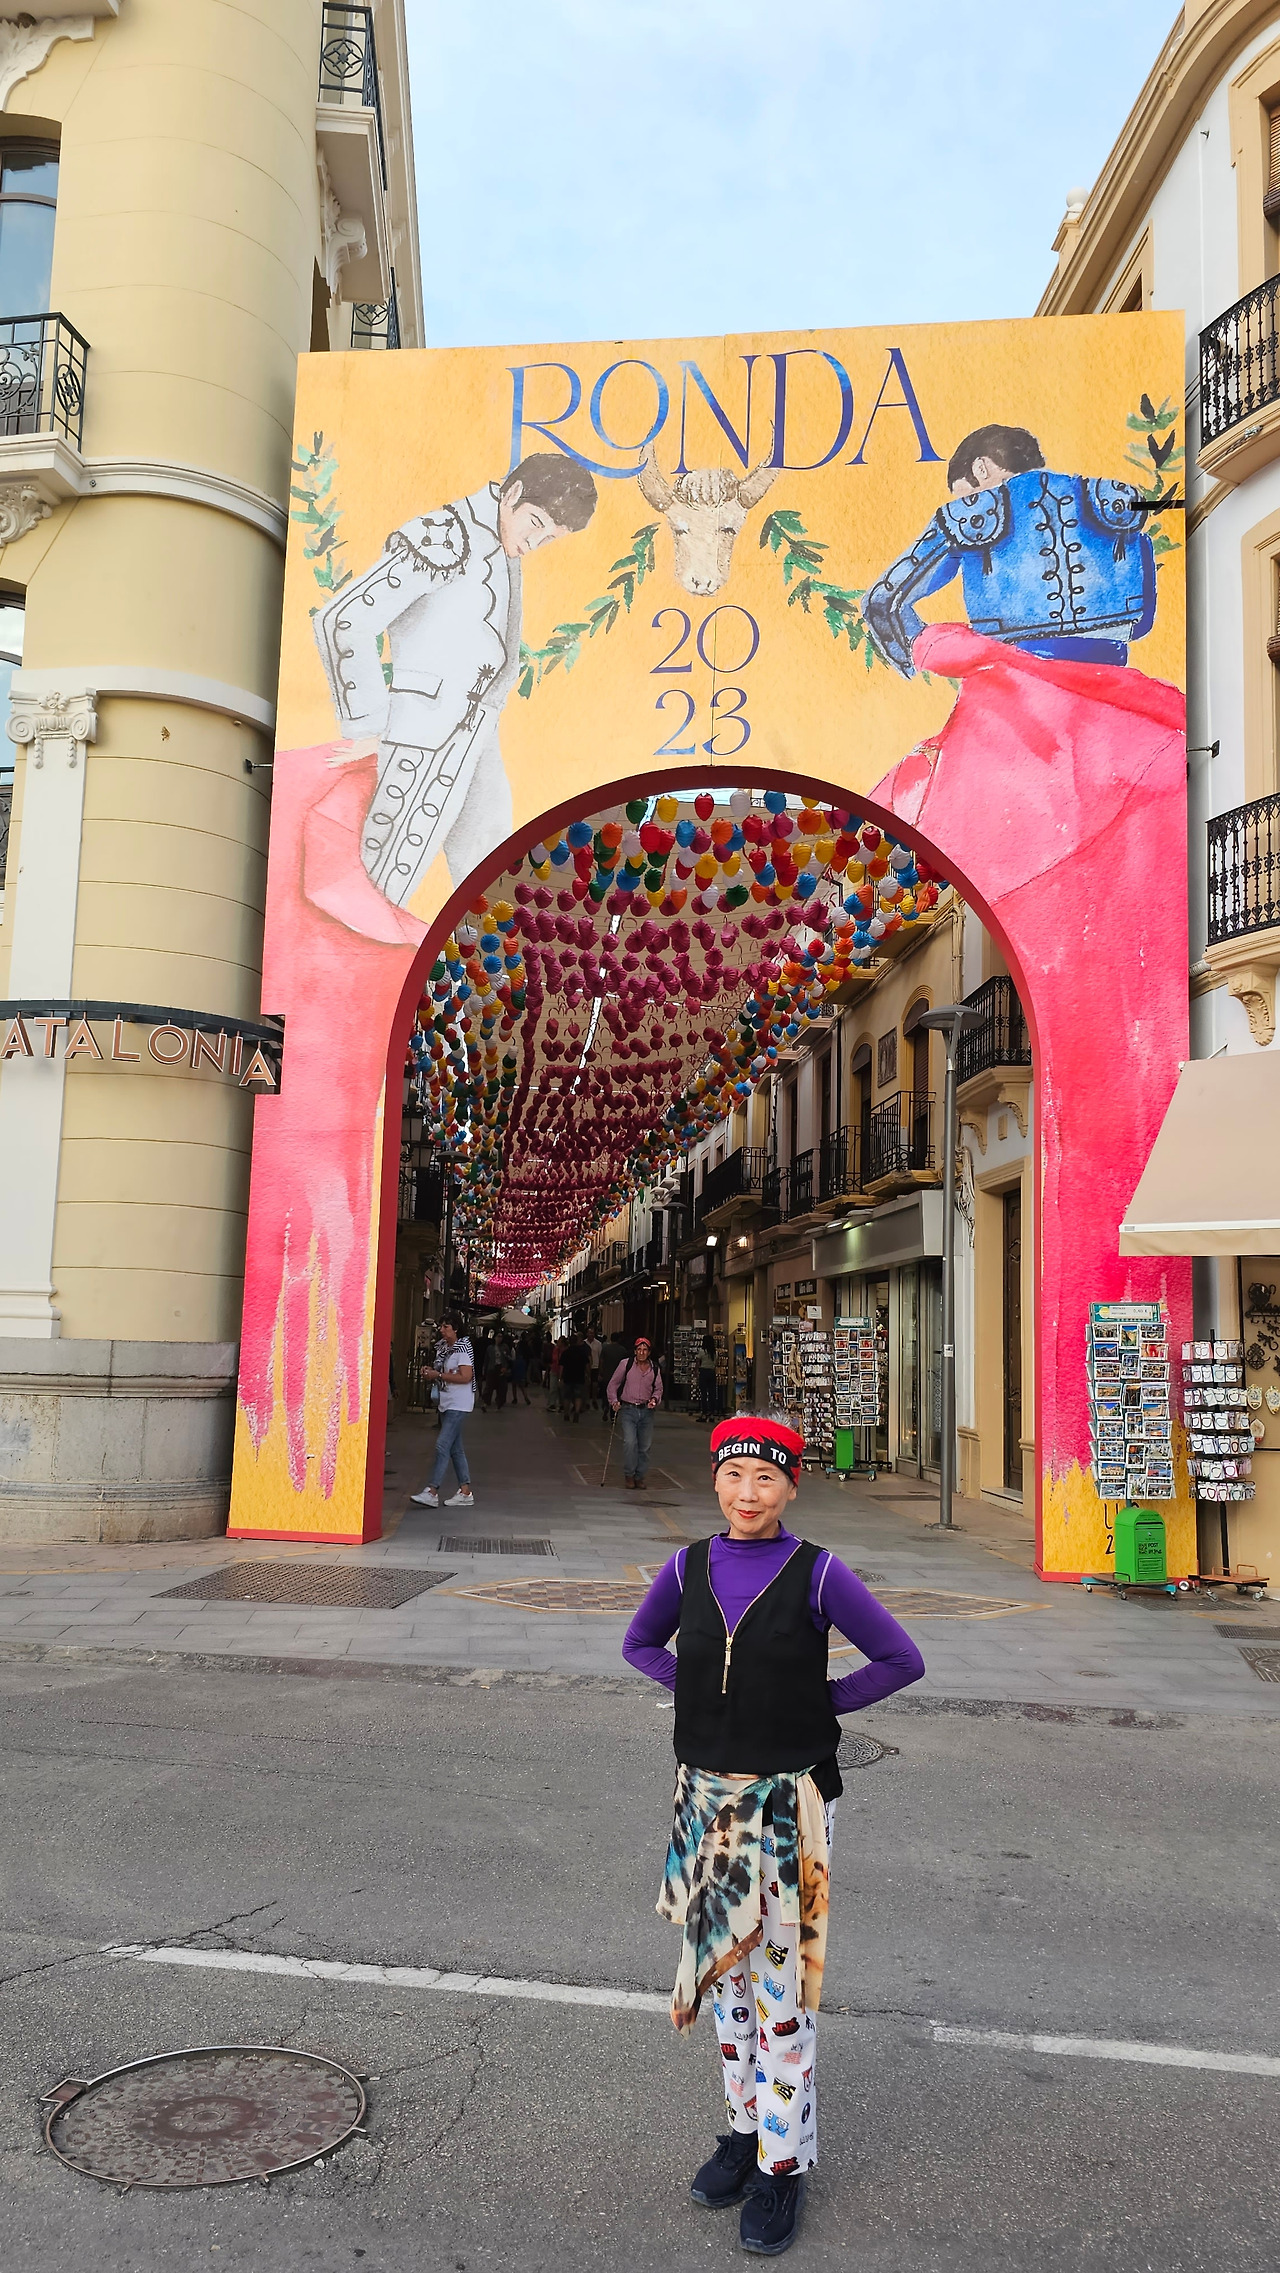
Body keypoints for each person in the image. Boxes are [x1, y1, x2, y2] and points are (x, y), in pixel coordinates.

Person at [623, 1414, 924, 2255]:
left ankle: (781, 2164)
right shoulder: (686, 1567)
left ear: (792, 1486)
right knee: (724, 1977)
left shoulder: (819, 1572)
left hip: (790, 1804)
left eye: (766, 1477)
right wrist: (697, 1690)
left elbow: (901, 1658)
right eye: (734, 1475)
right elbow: (639, 1642)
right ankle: (743, 2129)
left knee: (781, 1993)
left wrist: (817, 1703)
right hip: (706, 1800)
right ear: (715, 1480)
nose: (747, 1493)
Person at [307, 454, 599, 943]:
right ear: (512, 494)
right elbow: (343, 618)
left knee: (493, 878)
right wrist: (368, 724)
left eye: (550, 537)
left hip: (476, 735)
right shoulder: (442, 535)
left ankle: (500, 973)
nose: (535, 543)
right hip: (415, 735)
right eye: (535, 524)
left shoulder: (500, 539)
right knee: (374, 887)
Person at [864, 422, 1157, 680]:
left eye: (966, 494)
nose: (967, 503)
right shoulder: (1115, 497)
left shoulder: (966, 514)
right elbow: (1142, 610)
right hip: (1112, 673)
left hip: (1013, 680)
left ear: (980, 468)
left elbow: (882, 601)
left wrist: (916, 660)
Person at [410, 1314, 476, 1509]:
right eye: (441, 1326)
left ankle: (432, 1491)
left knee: (442, 1445)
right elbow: (445, 1373)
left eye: (446, 1327)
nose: (441, 1330)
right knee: (455, 1449)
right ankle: (465, 1492)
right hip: (447, 1402)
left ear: (456, 1329)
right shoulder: (445, 1349)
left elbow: (466, 1377)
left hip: (458, 1403)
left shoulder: (463, 1349)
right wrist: (432, 1372)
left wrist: (438, 1374)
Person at [607, 1334, 663, 1488]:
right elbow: (613, 1384)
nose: (642, 1352)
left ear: (649, 1352)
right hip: (628, 1410)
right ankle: (629, 1475)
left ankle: (640, 1476)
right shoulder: (626, 1364)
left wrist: (654, 1399)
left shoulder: (654, 1369)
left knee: (645, 1446)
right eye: (639, 1349)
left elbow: (658, 1389)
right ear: (635, 1351)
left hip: (646, 1411)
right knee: (630, 1443)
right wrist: (614, 1401)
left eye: (645, 1350)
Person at [560, 1332, 590, 1422]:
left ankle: (566, 1414)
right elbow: (587, 1365)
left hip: (568, 1377)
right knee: (578, 1396)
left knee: (567, 1397)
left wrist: (560, 1378)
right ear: (577, 1341)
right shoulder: (582, 1353)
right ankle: (577, 1412)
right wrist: (588, 1375)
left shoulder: (565, 1353)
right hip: (579, 1377)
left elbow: (561, 1366)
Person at [697, 1332, 719, 1424]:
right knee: (712, 1394)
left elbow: (698, 1362)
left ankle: (704, 1413)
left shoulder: (702, 1351)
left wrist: (696, 1372)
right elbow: (716, 1363)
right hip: (712, 1372)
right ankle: (712, 1413)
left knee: (703, 1394)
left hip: (703, 1372)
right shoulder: (715, 1353)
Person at [510, 1335, 532, 1407]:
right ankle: (526, 1397)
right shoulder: (527, 1345)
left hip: (517, 1363)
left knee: (514, 1384)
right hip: (523, 1363)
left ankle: (515, 1398)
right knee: (522, 1385)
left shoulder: (518, 1346)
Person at [587, 1329, 603, 1410]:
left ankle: (594, 1400)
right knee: (587, 1385)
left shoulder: (598, 1344)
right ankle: (587, 1401)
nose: (591, 1334)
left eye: (592, 1333)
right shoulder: (584, 1343)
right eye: (590, 1333)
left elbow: (600, 1357)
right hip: (586, 1367)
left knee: (595, 1385)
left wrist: (600, 1370)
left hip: (595, 1367)